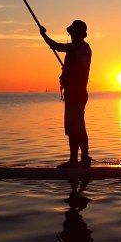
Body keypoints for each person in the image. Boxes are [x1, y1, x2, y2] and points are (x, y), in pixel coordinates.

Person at [40, 20, 93, 168]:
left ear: (80, 34)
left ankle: (77, 161)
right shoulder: (79, 47)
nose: (72, 34)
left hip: (77, 93)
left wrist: (44, 35)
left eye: (74, 32)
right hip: (74, 93)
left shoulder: (80, 46)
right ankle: (80, 160)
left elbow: (56, 46)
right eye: (72, 32)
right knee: (75, 128)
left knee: (76, 128)